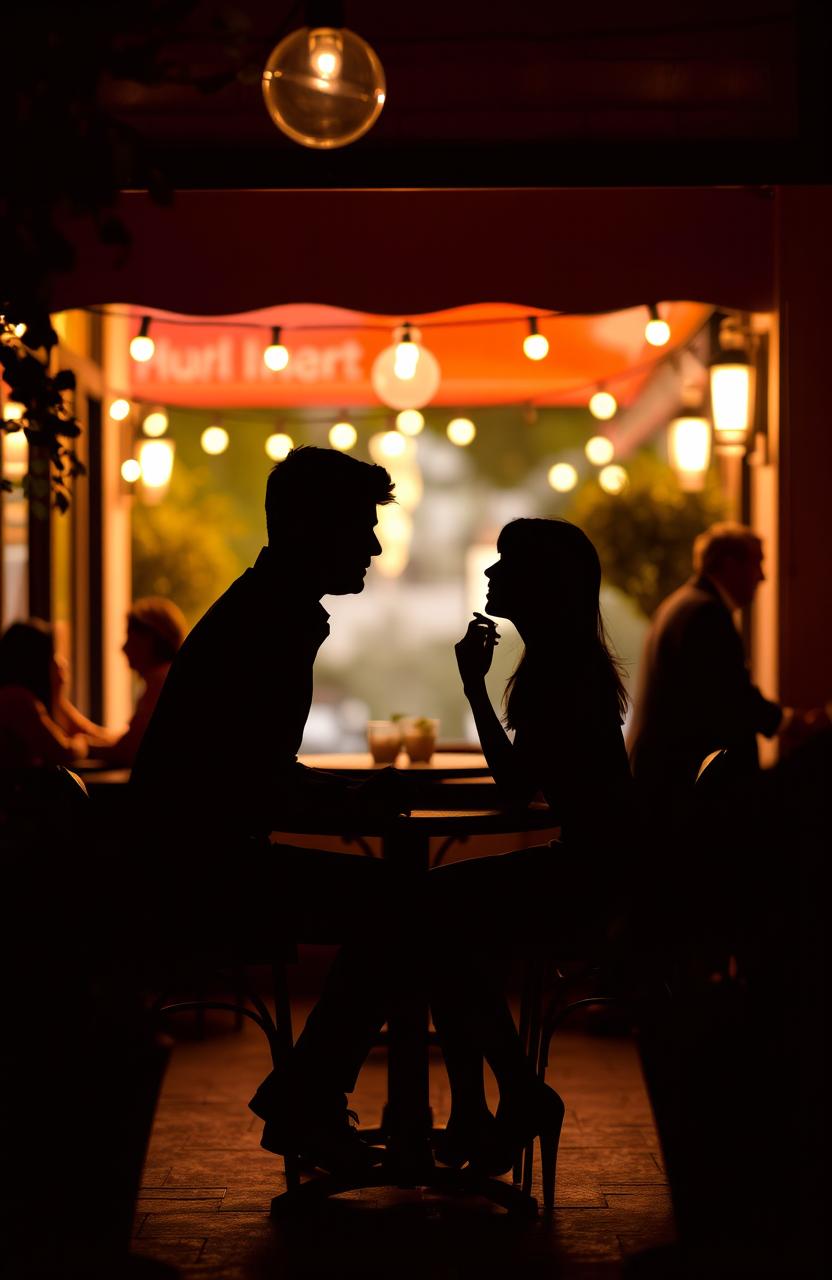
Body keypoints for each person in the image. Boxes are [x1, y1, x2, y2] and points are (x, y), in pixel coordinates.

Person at [130, 447, 412, 1176]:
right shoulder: (274, 624)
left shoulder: (264, 610)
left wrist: (343, 800)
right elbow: (251, 785)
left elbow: (246, 773)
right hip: (197, 874)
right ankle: (309, 1098)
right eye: (360, 525)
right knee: (401, 909)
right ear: (309, 526)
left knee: (399, 906)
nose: (376, 546)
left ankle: (310, 1097)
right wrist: (349, 801)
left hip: (179, 862)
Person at [425, 517, 635, 1173]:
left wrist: (471, 686)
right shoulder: (566, 662)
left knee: (435, 915)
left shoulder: (559, 672)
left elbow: (515, 789)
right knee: (439, 915)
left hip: (589, 876)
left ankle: (503, 1099)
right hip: (598, 866)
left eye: (504, 563)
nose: (490, 574)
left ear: (540, 584)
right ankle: (484, 1108)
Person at [627, 522, 785, 814]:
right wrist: (782, 722)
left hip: (663, 779)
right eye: (757, 563)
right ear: (729, 564)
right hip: (683, 788)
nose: (763, 576)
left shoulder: (683, 604)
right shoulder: (705, 613)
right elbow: (729, 695)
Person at [0, 618, 89, 767]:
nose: (61, 663)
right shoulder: (18, 700)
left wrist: (58, 696)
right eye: (54, 656)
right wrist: (82, 744)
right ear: (34, 661)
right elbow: (62, 751)